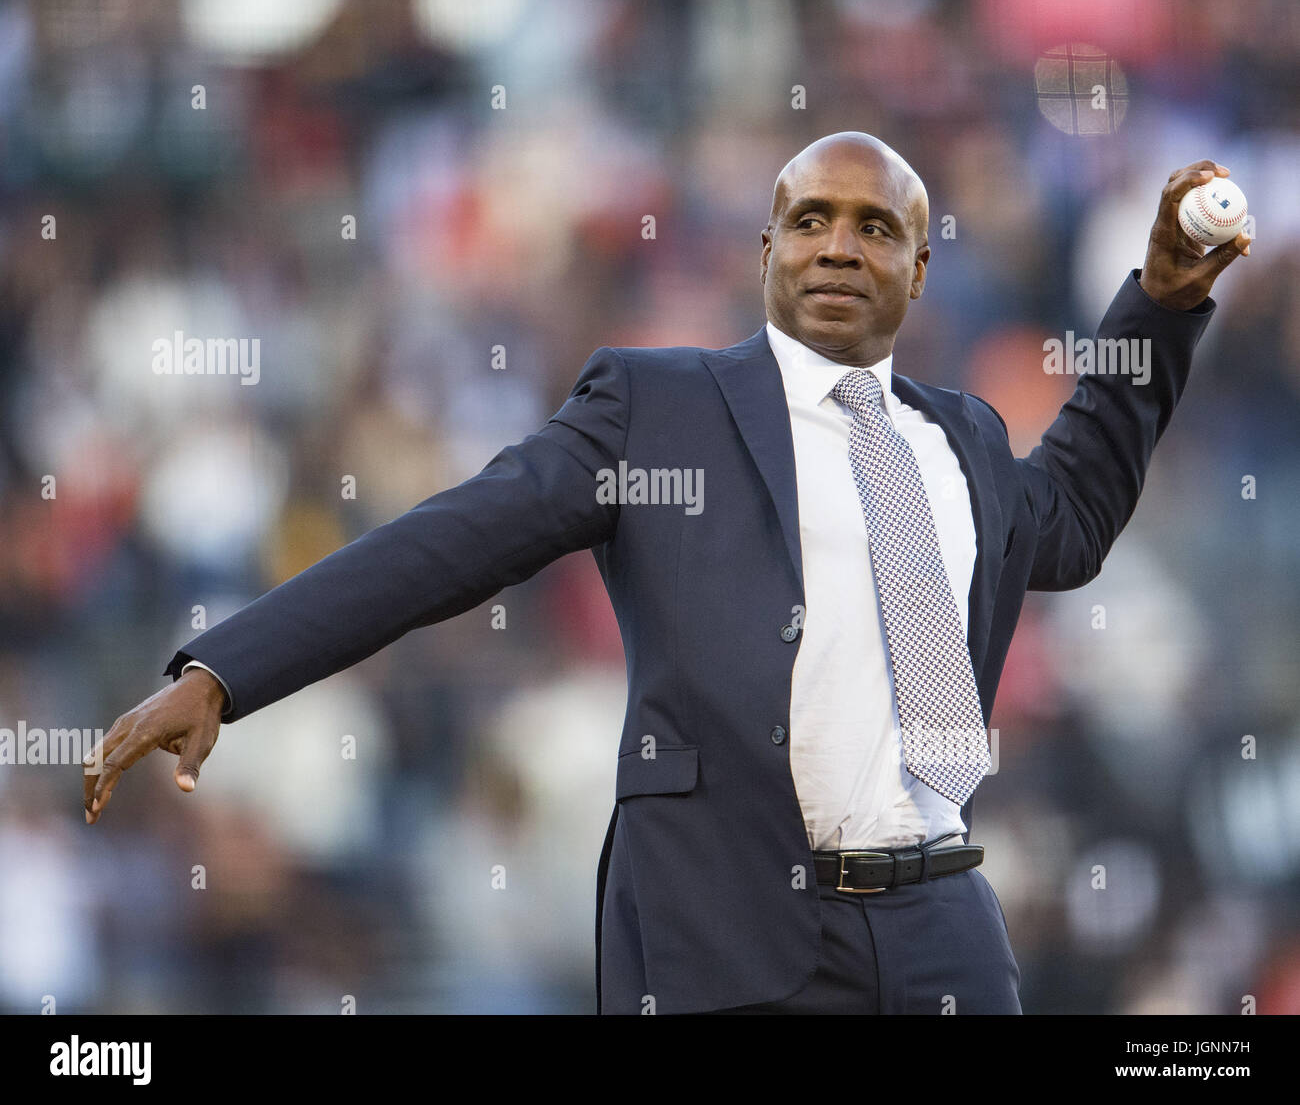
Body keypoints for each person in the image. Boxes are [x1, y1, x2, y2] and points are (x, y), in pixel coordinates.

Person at [84, 133, 1250, 1014]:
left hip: (942, 919)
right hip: (729, 929)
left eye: (875, 227)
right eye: (810, 220)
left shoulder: (964, 439)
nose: (839, 244)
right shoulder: (659, 408)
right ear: (766, 250)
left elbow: (1078, 513)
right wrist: (226, 670)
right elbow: (447, 539)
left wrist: (1159, 300)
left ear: (922, 263)